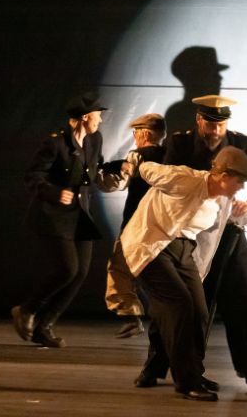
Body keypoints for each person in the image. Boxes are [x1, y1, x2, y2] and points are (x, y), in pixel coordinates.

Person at [121, 146, 247, 402]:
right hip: (150, 245)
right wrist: (134, 164)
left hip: (183, 250)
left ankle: (194, 372)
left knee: (199, 311)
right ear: (224, 176)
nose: (241, 187)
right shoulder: (184, 178)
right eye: (239, 181)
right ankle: (187, 382)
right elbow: (149, 169)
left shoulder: (221, 198)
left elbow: (229, 219)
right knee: (179, 306)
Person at [164, 95, 247, 386]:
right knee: (190, 307)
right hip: (192, 235)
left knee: (239, 299)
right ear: (198, 120)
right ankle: (162, 366)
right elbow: (169, 183)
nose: (215, 131)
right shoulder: (180, 144)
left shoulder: (241, 144)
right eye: (210, 124)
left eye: (221, 125)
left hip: (228, 233)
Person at [12, 90, 108, 348]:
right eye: (98, 115)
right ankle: (27, 309)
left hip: (81, 214)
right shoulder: (55, 143)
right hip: (54, 215)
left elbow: (97, 167)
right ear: (86, 117)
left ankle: (44, 326)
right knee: (67, 269)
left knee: (80, 273)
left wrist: (118, 168)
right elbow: (33, 176)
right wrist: (55, 193)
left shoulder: (95, 139)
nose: (100, 119)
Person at [99, 113, 167, 338]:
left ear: (145, 134)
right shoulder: (171, 156)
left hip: (135, 225)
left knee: (119, 269)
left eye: (136, 133)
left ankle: (130, 316)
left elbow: (116, 184)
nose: (135, 137)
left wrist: (108, 169)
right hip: (162, 227)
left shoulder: (137, 156)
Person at [165, 46, 229, 135]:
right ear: (198, 78)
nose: (220, 78)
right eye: (213, 74)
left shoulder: (214, 112)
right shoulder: (180, 114)